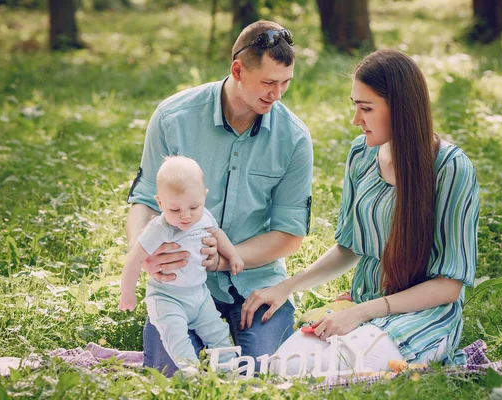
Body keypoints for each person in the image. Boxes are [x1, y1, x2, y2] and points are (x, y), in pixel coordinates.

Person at [240, 49, 480, 376]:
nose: (356, 119)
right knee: (284, 366)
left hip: (422, 315)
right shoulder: (361, 154)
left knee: (342, 368)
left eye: (366, 108)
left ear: (402, 110)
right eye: (355, 105)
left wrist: (364, 313)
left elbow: (449, 286)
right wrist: (287, 287)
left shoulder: (450, 168)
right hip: (360, 306)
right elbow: (349, 247)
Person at [126, 21, 313, 376]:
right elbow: (144, 201)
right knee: (170, 373)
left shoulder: (294, 139)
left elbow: (290, 235)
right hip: (179, 287)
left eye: (286, 83)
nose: (277, 94)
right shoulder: (173, 118)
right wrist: (146, 253)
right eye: (268, 83)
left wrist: (229, 259)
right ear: (238, 70)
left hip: (257, 284)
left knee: (256, 373)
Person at [119, 156, 243, 370]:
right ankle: (191, 374)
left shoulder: (203, 216)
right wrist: (127, 293)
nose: (185, 216)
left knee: (217, 332)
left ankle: (228, 370)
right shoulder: (159, 229)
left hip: (199, 295)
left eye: (193, 206)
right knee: (176, 338)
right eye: (175, 210)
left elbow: (217, 233)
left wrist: (233, 255)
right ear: (160, 203)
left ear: (203, 197)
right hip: (167, 297)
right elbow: (134, 259)